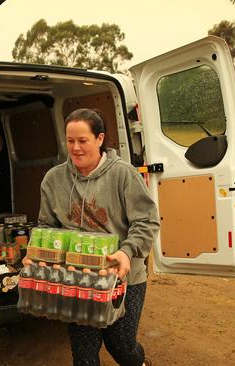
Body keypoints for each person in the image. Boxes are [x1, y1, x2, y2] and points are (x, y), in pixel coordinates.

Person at [25, 108, 159, 366]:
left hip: (123, 278)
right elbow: (46, 226)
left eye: (82, 141)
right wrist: (40, 253)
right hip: (77, 279)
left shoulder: (123, 174)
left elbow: (147, 221)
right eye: (70, 140)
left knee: (121, 345)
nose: (75, 148)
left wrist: (127, 251)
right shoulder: (53, 179)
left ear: (99, 139)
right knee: (84, 355)